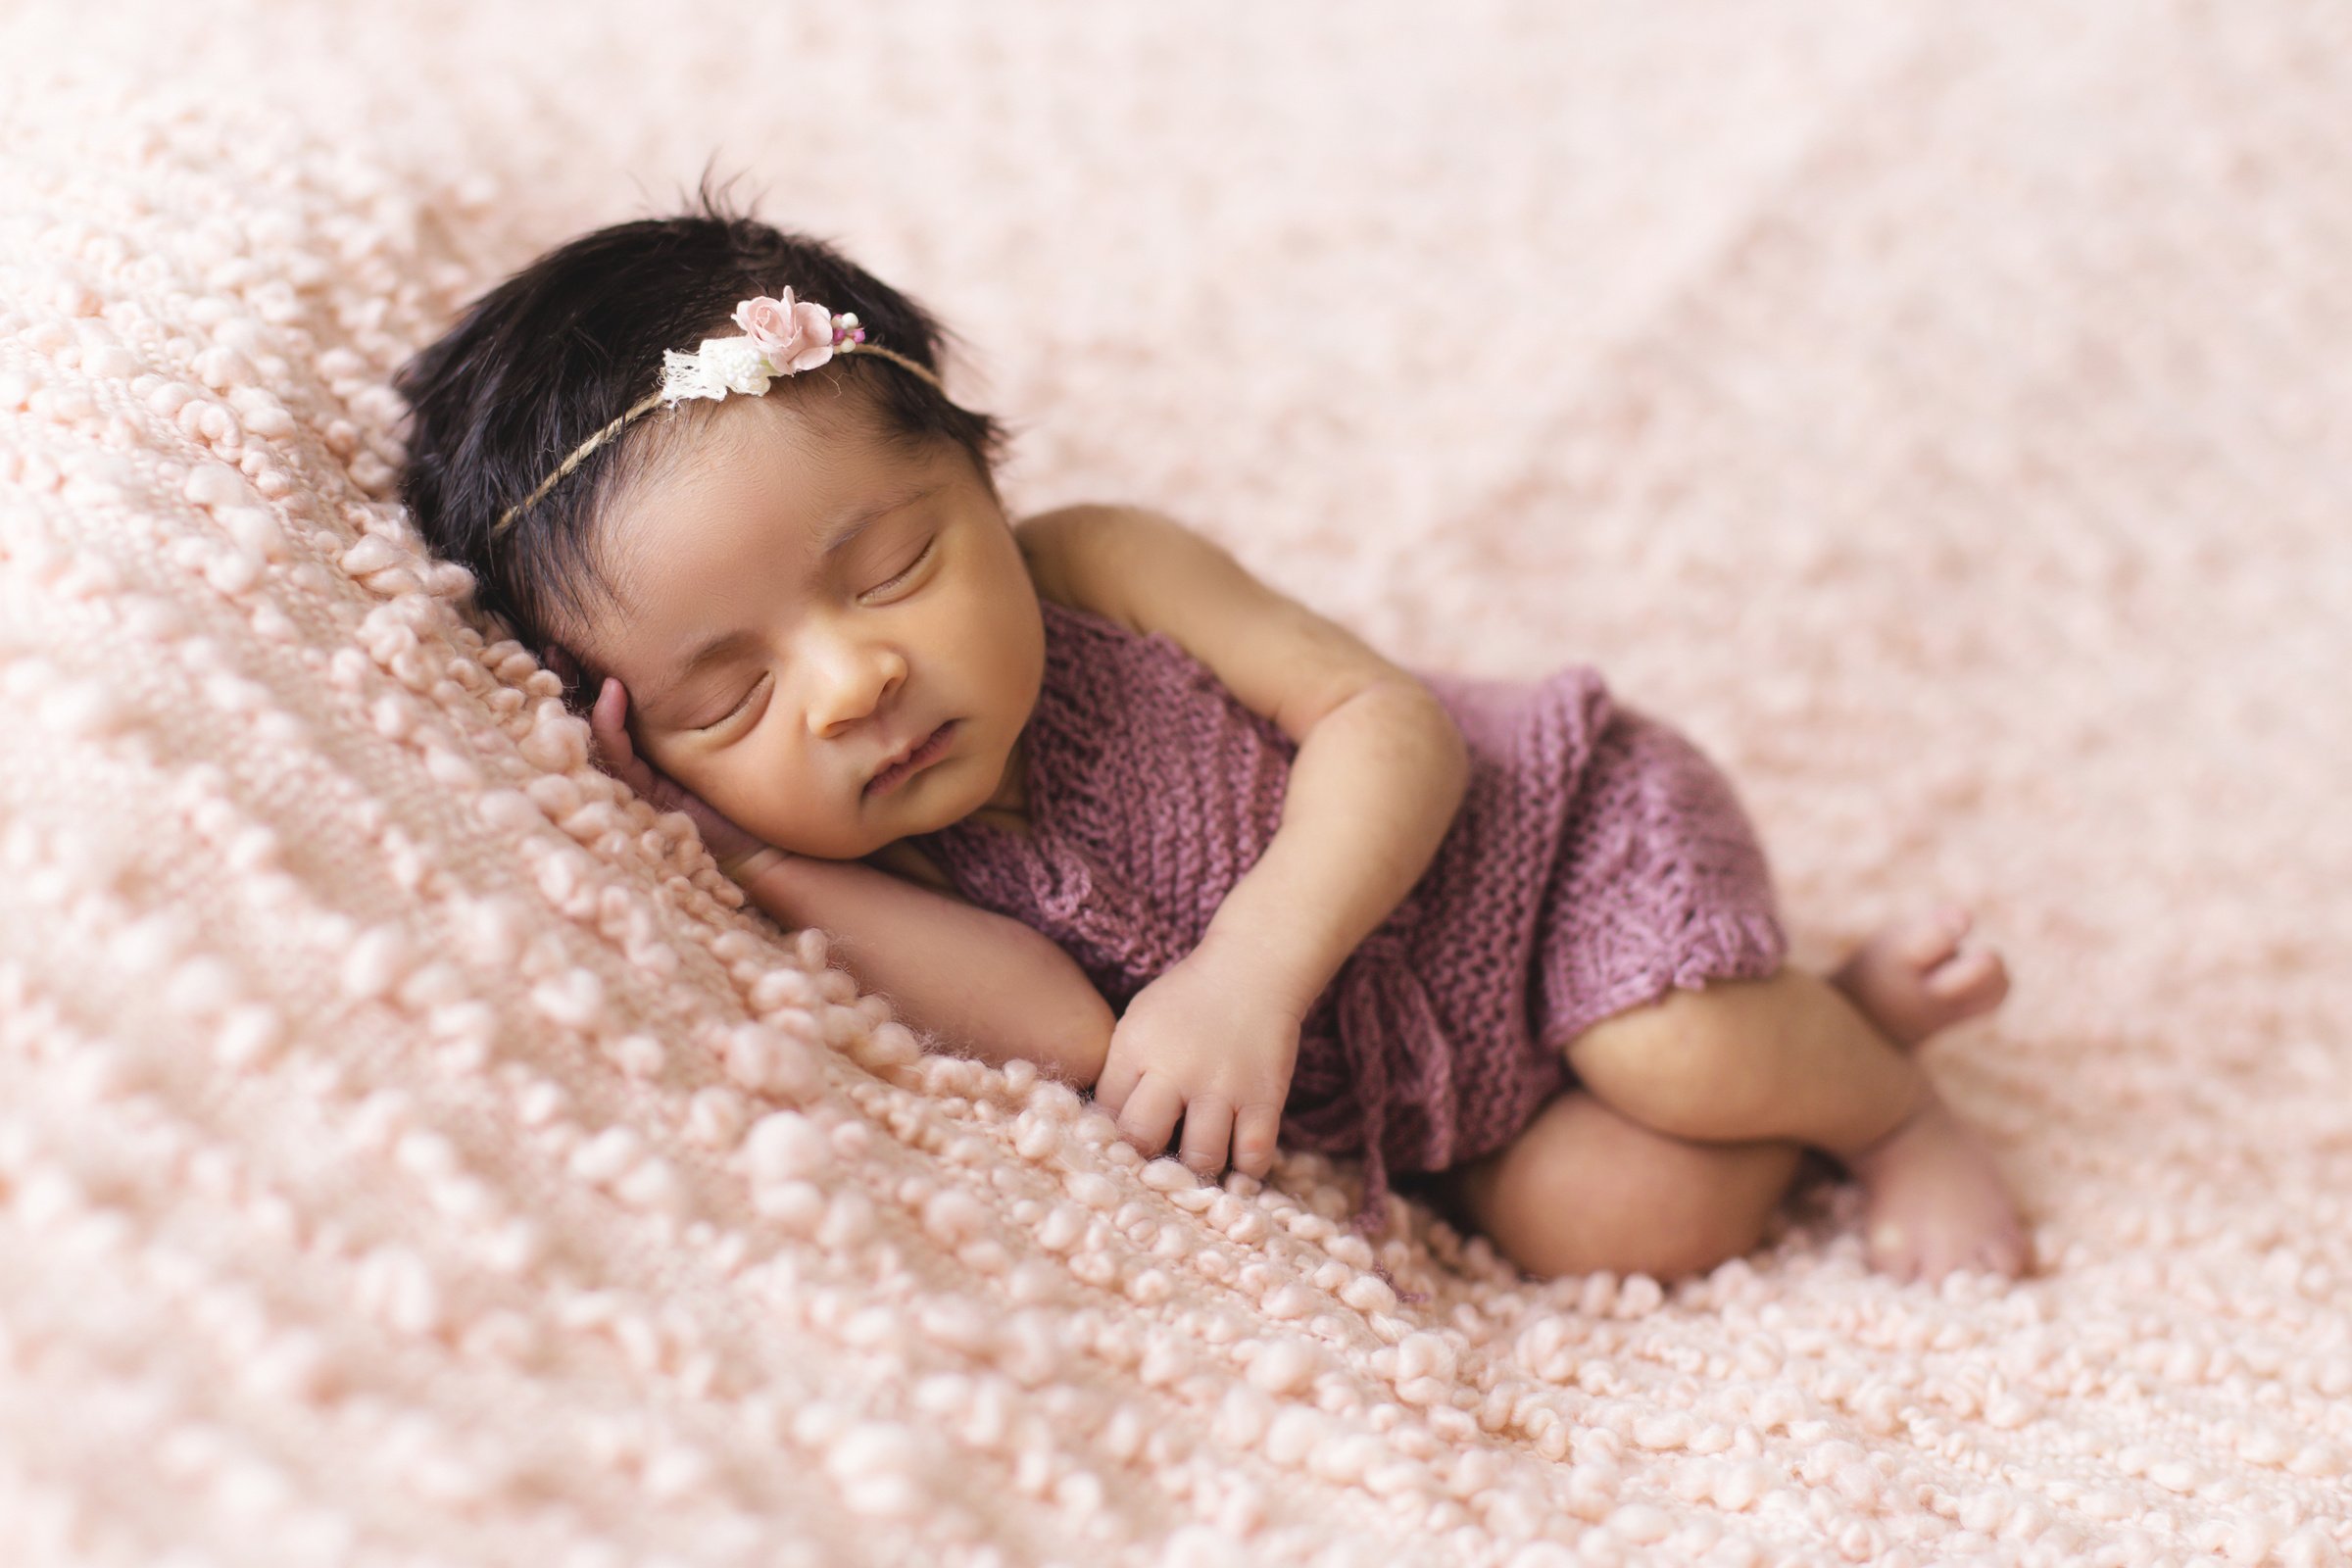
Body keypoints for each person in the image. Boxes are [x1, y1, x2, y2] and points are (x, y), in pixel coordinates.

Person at [395, 188, 2032, 1287]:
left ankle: (1889, 1108)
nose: (850, 685)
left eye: (891, 569)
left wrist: (1250, 973)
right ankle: (1826, 1009)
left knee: (1674, 1052)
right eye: (726, 699)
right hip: (1468, 1099)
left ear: (986, 480)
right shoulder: (862, 845)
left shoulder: (1102, 570)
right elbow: (1063, 1031)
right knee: (1615, 1224)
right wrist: (750, 856)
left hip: (1564, 848)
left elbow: (1389, 724)